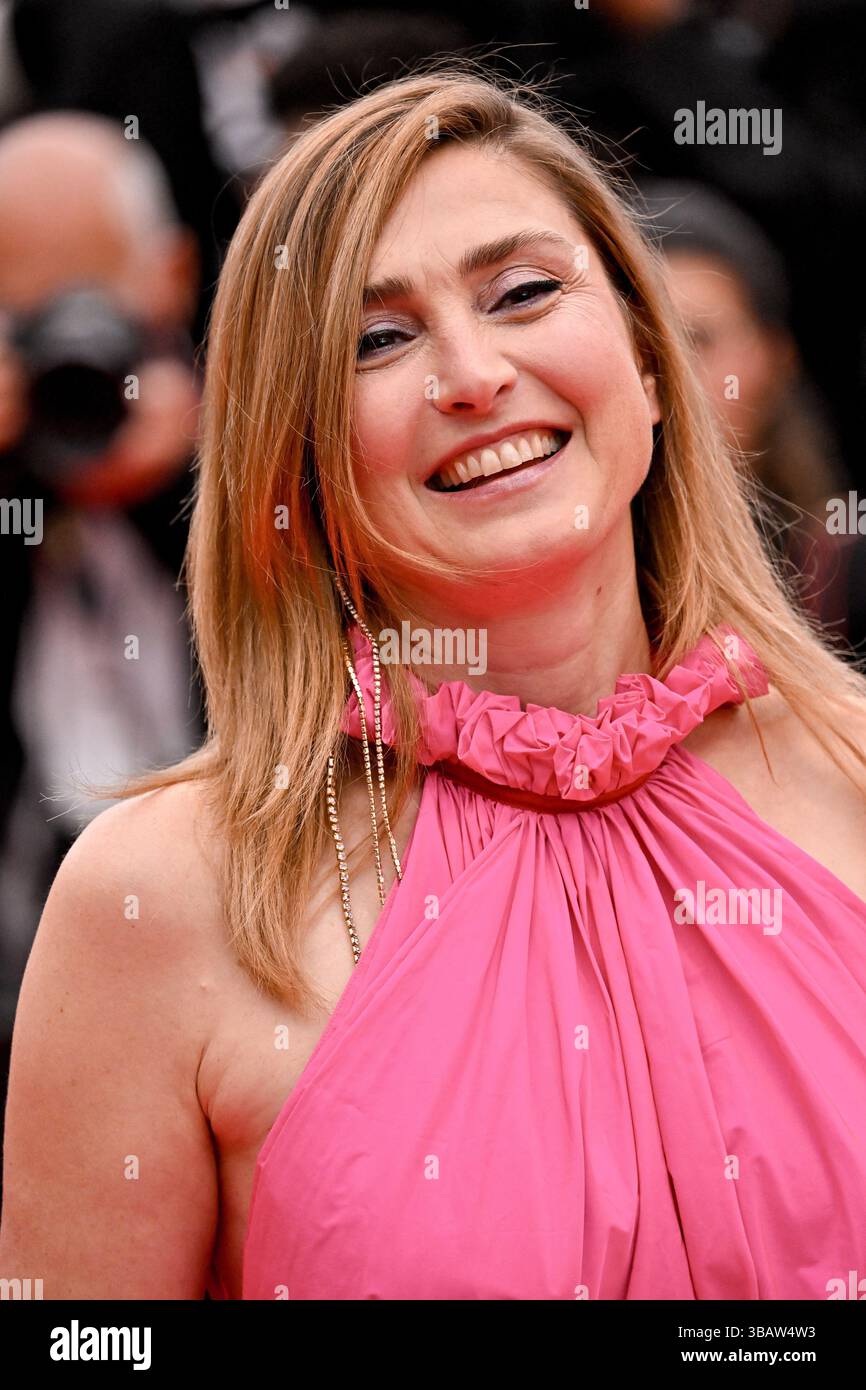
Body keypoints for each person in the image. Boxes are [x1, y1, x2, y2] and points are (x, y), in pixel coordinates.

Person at [2, 65, 866, 1302]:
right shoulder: (156, 902)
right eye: (378, 340)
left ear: (648, 359)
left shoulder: (849, 777)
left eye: (523, 292)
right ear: (291, 464)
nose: (471, 374)